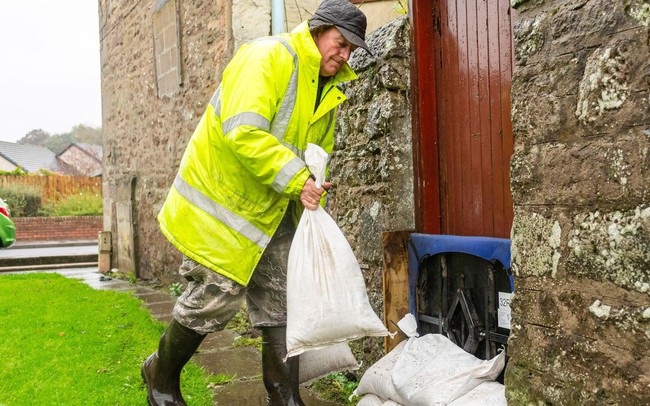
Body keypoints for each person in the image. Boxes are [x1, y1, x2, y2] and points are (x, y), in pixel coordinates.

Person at [140, 1, 370, 405]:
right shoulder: (266, 57)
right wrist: (299, 180)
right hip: (225, 206)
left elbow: (316, 150)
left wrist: (313, 183)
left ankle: (283, 398)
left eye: (352, 49)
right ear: (319, 30)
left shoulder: (328, 87)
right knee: (212, 301)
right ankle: (160, 375)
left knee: (283, 303)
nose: (345, 55)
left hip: (277, 208)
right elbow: (242, 131)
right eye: (342, 43)